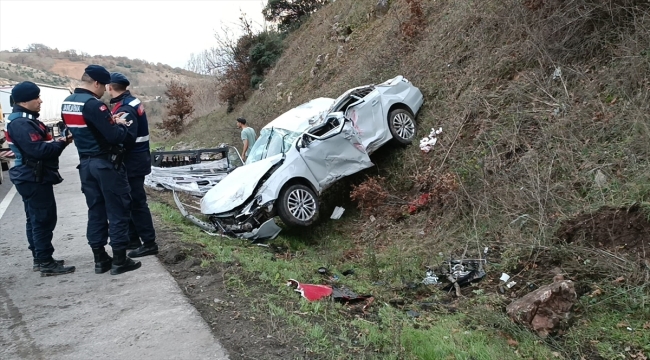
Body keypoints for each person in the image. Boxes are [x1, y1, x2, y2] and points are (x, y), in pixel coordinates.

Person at [61, 65, 141, 275]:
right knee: (117, 209)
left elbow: (87, 129)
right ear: (96, 83)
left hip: (86, 164)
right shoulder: (94, 105)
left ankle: (100, 258)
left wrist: (108, 124)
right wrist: (121, 125)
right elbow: (114, 136)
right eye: (104, 85)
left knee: (95, 210)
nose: (105, 90)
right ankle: (120, 260)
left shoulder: (68, 104)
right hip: (105, 164)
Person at [7, 81, 75, 276]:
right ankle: (45, 262)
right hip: (32, 177)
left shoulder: (24, 119)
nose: (40, 101)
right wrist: (61, 143)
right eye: (36, 97)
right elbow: (38, 150)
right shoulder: (21, 123)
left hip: (31, 176)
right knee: (43, 220)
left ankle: (40, 258)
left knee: (35, 219)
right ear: (25, 101)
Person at [107, 72, 158, 258]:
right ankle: (133, 238)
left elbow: (126, 138)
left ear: (110, 87)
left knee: (136, 202)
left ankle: (149, 242)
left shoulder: (125, 108)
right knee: (130, 200)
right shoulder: (131, 102)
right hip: (137, 158)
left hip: (132, 161)